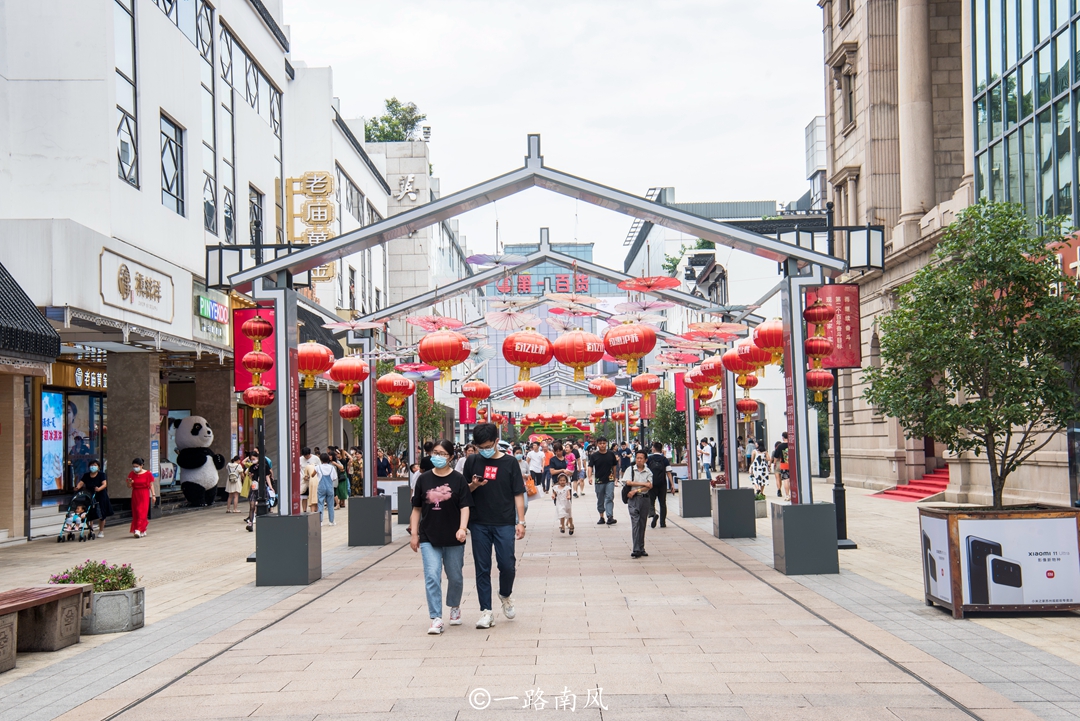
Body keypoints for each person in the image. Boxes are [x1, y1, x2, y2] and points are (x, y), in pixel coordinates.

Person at [462, 423, 526, 629]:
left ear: (497, 442)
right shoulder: (471, 461)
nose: (484, 450)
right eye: (481, 447)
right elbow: (463, 493)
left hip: (504, 521)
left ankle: (505, 594)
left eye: (488, 445)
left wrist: (521, 521)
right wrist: (474, 485)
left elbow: (518, 493)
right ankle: (486, 611)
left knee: (507, 564)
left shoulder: (509, 463)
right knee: (482, 568)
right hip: (479, 522)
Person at [410, 439, 472, 635]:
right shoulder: (423, 479)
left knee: (455, 576)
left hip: (454, 536)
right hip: (429, 535)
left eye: (443, 454)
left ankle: (454, 606)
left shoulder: (458, 479)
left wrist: (463, 528)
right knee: (432, 575)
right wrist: (414, 533)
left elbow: (465, 506)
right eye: (435, 453)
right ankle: (435, 617)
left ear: (451, 457)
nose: (438, 457)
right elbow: (416, 508)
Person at [622, 450, 653, 558]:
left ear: (645, 460)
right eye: (637, 458)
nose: (639, 460)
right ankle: (636, 549)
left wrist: (636, 490)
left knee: (642, 523)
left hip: (644, 499)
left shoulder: (648, 471)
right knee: (635, 523)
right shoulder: (630, 470)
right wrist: (643, 484)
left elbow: (650, 486)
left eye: (641, 458)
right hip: (633, 500)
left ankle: (641, 547)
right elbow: (628, 482)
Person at [75, 461, 112, 537]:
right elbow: (81, 482)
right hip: (89, 495)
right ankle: (91, 529)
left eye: (95, 465)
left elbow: (104, 484)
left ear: (98, 467)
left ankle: (101, 531)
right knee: (89, 512)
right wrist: (77, 487)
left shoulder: (101, 475)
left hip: (101, 495)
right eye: (91, 465)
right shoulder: (86, 475)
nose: (93, 467)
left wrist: (99, 489)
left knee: (101, 513)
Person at [588, 438, 618, 525]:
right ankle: (601, 516)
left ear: (606, 444)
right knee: (600, 498)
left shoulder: (611, 454)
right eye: (600, 443)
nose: (602, 445)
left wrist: (615, 477)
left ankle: (610, 516)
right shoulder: (594, 456)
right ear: (597, 444)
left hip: (610, 479)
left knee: (609, 497)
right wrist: (589, 477)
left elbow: (614, 466)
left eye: (604, 443)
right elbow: (590, 466)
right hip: (599, 480)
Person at [126, 458, 156, 538]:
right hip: (135, 493)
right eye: (134, 466)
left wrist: (153, 495)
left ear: (141, 465)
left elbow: (151, 484)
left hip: (144, 493)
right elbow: (129, 486)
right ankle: (142, 529)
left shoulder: (148, 473)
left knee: (141, 511)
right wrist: (130, 483)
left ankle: (138, 529)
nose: (135, 468)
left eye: (137, 466)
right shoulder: (132, 474)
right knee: (136, 511)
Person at [646, 442, 670, 529]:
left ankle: (653, 514)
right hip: (662, 484)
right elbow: (668, 472)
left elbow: (646, 471)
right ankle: (662, 523)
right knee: (663, 503)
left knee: (650, 501)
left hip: (652, 484)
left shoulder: (649, 459)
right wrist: (672, 485)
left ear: (654, 449)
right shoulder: (665, 459)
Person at [773, 432, 790, 501]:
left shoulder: (780, 446)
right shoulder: (792, 444)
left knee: (786, 480)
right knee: (792, 480)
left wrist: (774, 463)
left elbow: (776, 456)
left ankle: (787, 495)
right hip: (792, 464)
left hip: (784, 465)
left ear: (783, 437)